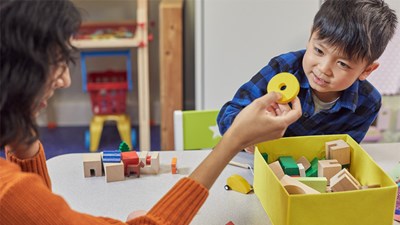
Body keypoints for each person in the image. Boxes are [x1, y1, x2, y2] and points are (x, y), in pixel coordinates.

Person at [0, 0, 302, 224]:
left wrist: (21, 135)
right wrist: (232, 141)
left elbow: (30, 215)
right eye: (55, 61)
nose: (65, 80)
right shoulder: (8, 191)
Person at [217, 0, 398, 153]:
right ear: (311, 35)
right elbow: (228, 114)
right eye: (318, 50)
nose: (324, 69)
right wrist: (249, 135)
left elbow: (343, 154)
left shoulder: (368, 103)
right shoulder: (284, 68)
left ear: (367, 70)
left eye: (342, 64)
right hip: (259, 168)